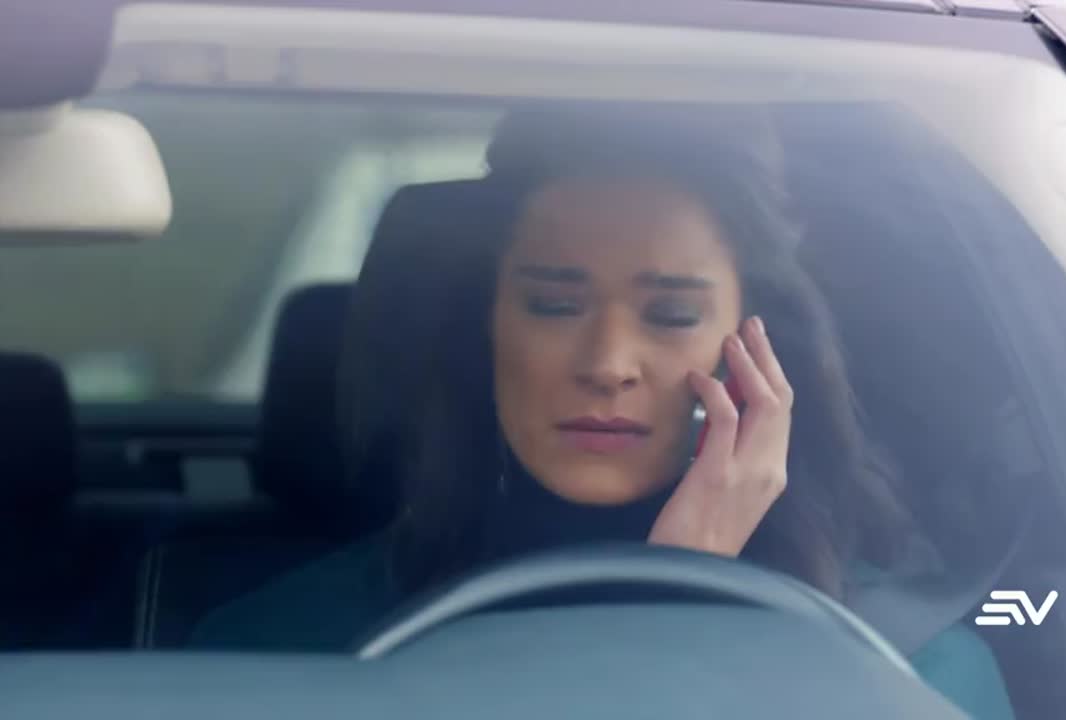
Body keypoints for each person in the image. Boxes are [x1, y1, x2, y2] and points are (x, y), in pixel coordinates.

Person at [191, 104, 1015, 720]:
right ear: (485, 329)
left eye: (671, 315)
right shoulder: (279, 649)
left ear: (757, 354)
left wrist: (686, 595)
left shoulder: (908, 671)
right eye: (554, 305)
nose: (608, 364)